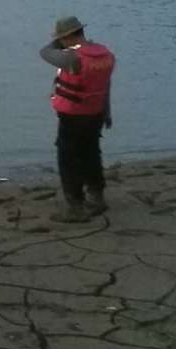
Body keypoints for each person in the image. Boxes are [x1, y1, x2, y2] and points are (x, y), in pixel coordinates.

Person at [39, 16, 115, 223]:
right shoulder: (105, 54)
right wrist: (107, 113)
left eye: (61, 38)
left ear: (67, 37)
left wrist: (58, 42)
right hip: (96, 113)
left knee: (68, 160)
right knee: (91, 153)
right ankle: (97, 197)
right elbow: (105, 87)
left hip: (73, 116)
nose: (60, 42)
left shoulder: (72, 58)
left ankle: (75, 207)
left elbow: (44, 52)